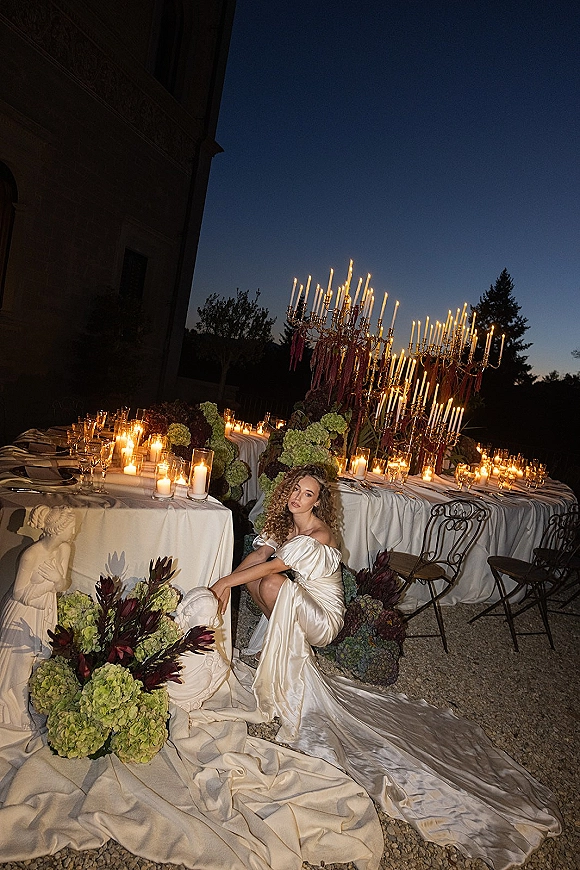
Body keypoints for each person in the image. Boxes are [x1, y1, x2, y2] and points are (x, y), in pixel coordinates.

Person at [212, 464, 562, 870]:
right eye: (295, 489)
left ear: (318, 501)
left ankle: (292, 669)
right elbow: (259, 555)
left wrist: (225, 585)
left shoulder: (318, 533)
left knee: (269, 584)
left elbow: (274, 569)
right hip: (299, 602)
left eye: (308, 494)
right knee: (257, 582)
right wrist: (224, 579)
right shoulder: (283, 525)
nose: (297, 497)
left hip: (325, 618)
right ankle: (284, 657)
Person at [0, 505, 76, 730]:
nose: (73, 532)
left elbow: (63, 585)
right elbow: (18, 593)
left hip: (45, 609)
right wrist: (45, 588)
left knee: (40, 657)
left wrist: (56, 580)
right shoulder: (31, 555)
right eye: (71, 528)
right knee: (22, 661)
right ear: (58, 529)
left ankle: (30, 703)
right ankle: (18, 708)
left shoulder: (64, 549)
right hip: (23, 611)